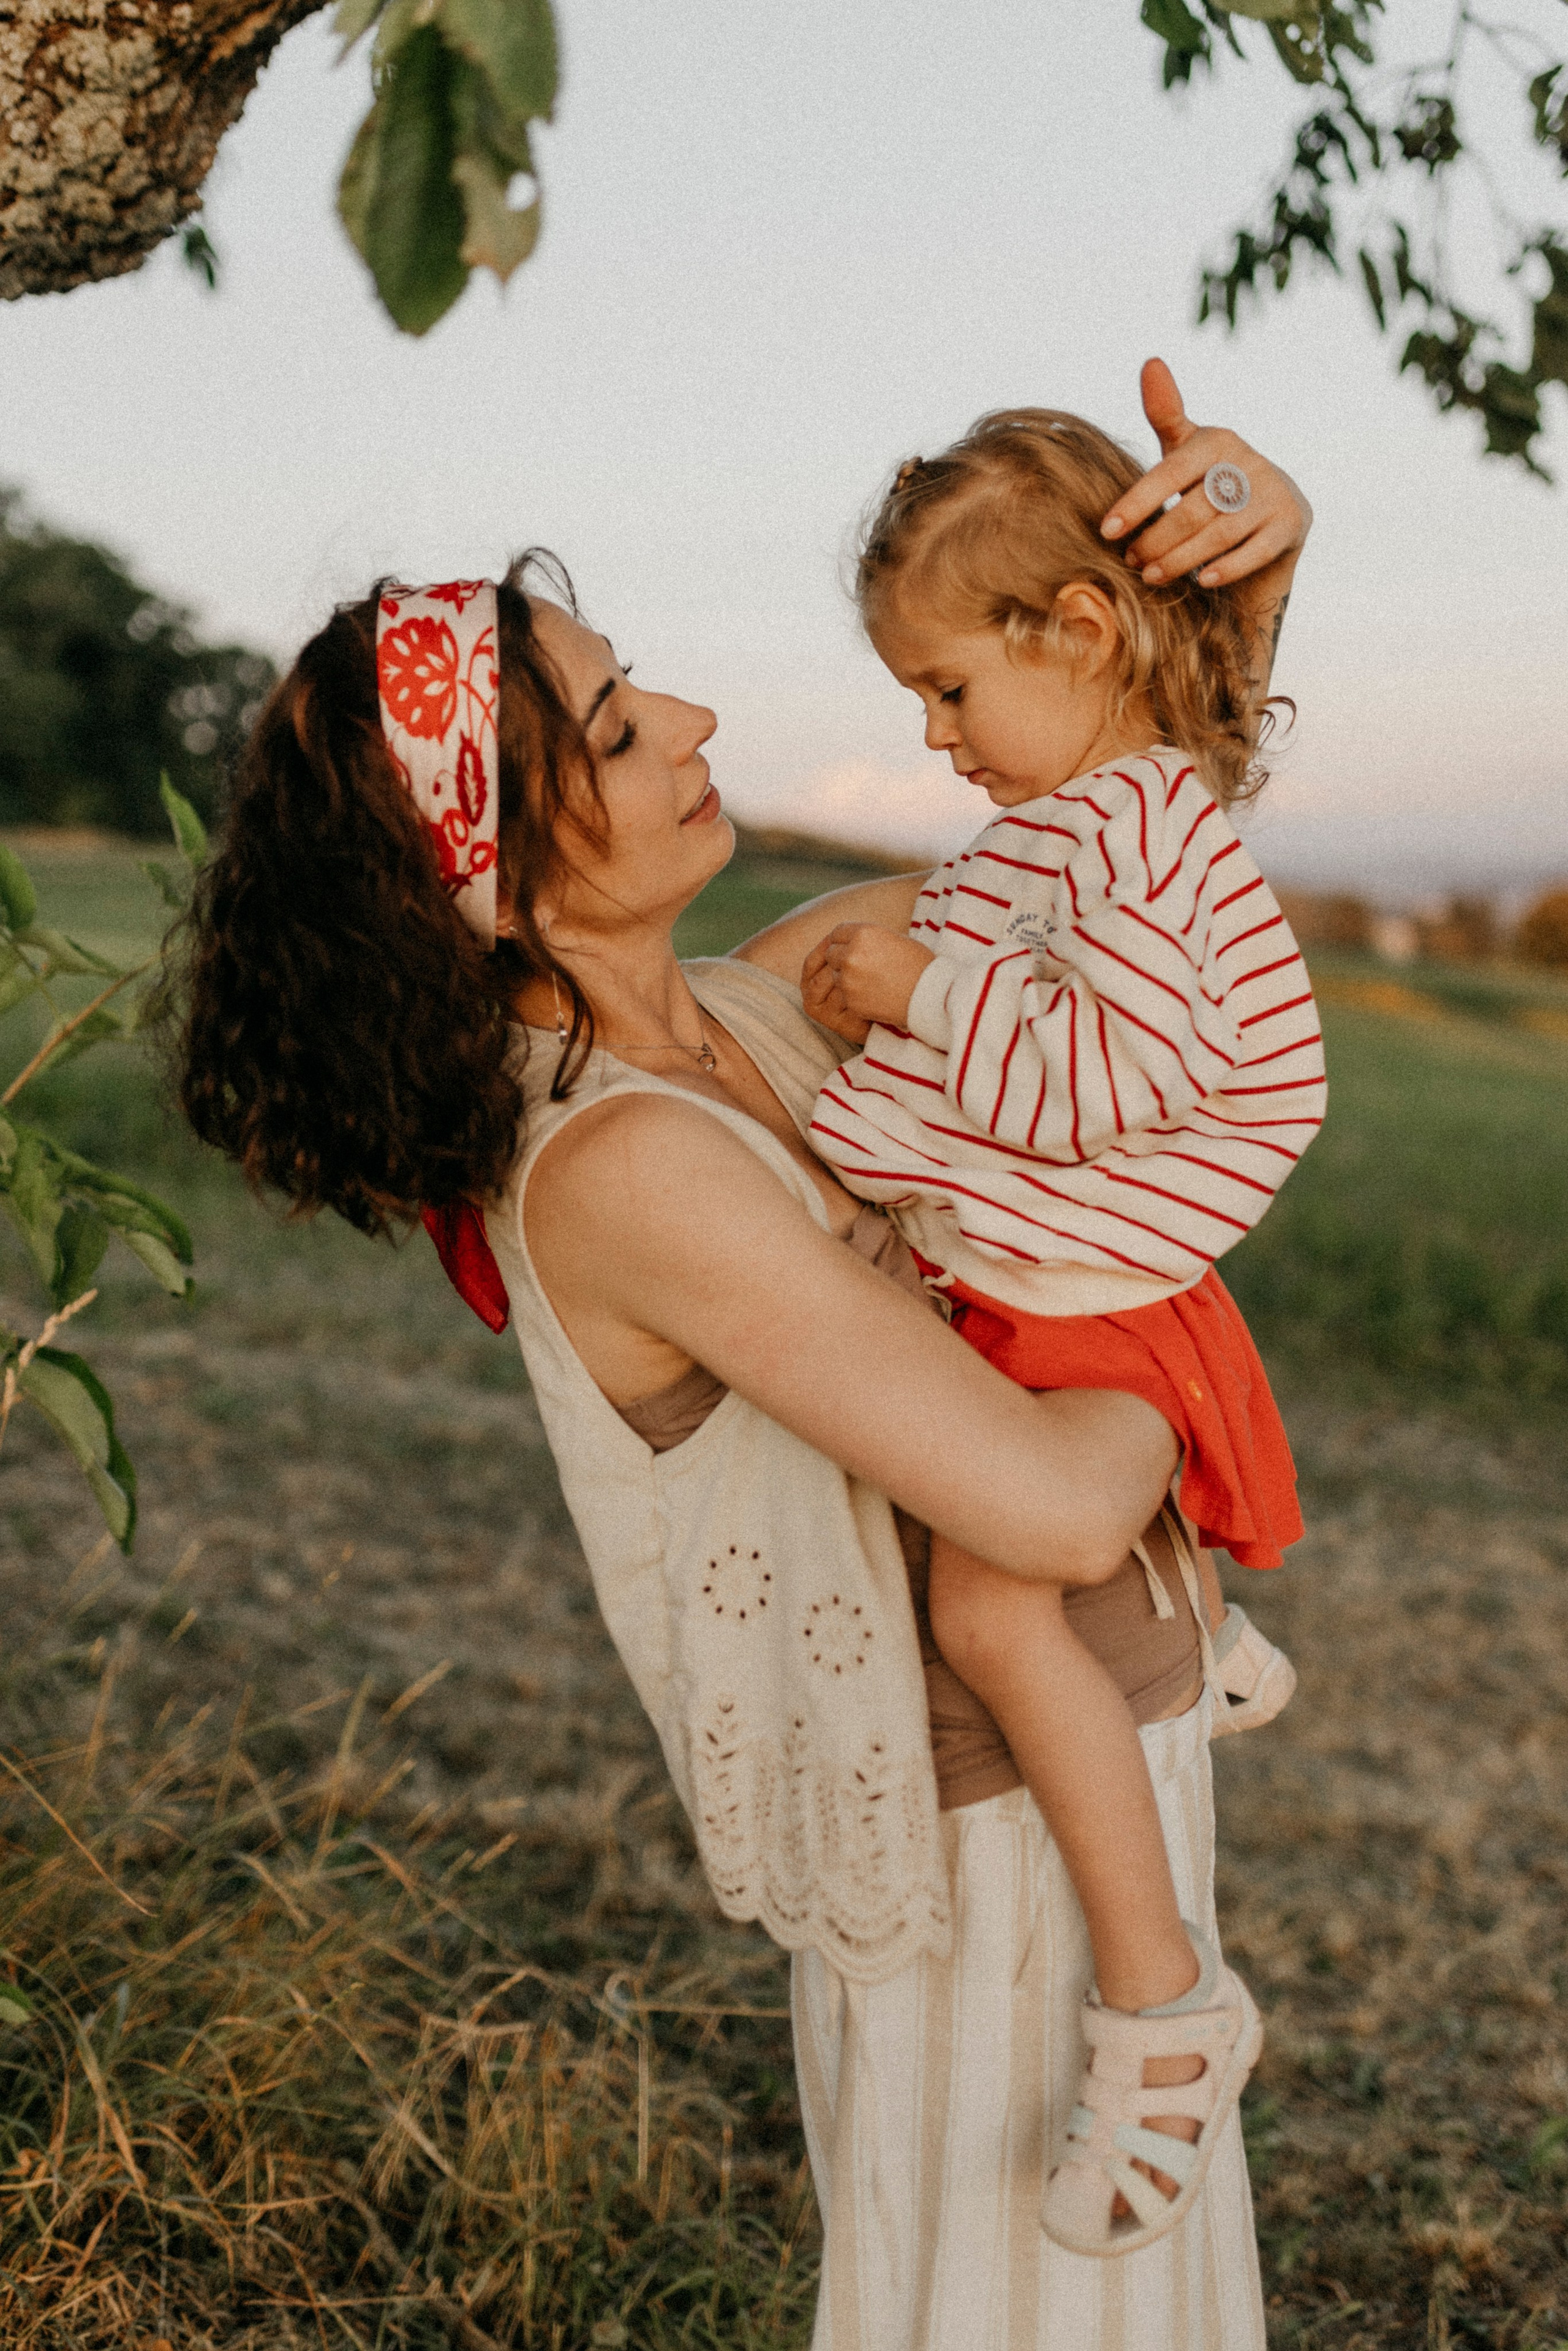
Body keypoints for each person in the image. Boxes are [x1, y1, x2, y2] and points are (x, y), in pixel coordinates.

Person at [175, 363, 1310, 2349]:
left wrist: (1232, 589)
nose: (693, 718)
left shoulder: (771, 1000)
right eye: (618, 724)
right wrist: (1170, 1345)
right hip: (976, 1849)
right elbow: (1051, 1509)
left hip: (1100, 1755)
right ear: (491, 865)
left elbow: (1133, 854)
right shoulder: (621, 1166)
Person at [794, 393, 1325, 2254]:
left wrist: (921, 992)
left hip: (1103, 1317)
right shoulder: (1084, 812)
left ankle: (1167, 2012)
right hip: (1053, 1289)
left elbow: (1109, 1077)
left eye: (950, 690)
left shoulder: (1141, 833)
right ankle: (1206, 1630)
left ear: (1081, 631)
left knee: (993, 1610)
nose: (936, 739)